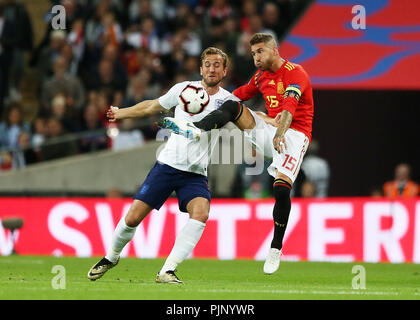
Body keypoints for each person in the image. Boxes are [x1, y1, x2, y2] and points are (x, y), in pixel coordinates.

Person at [163, 33, 314, 275]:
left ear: (275, 50)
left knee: (280, 188)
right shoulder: (262, 76)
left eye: (260, 51)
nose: (256, 57)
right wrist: (206, 98)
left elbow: (288, 111)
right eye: (253, 53)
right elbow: (236, 96)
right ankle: (195, 129)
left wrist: (279, 133)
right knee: (233, 107)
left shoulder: (296, 73)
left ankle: (275, 247)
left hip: (293, 136)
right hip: (270, 131)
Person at [87, 47, 232, 284]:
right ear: (201, 68)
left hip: (195, 174)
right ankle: (110, 257)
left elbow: (251, 119)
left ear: (224, 70)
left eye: (217, 65)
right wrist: (121, 113)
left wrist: (272, 122)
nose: (212, 69)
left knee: (201, 213)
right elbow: (151, 106)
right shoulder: (183, 89)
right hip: (167, 165)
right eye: (207, 64)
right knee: (133, 218)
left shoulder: (228, 100)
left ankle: (168, 270)